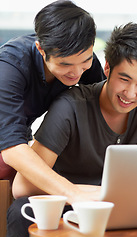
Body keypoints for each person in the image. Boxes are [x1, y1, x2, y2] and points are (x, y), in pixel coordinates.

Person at [7, 22, 137, 237]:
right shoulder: (70, 106)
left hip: (116, 208)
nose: (130, 94)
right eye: (124, 79)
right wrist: (82, 192)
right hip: (66, 204)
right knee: (22, 212)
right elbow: (22, 187)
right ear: (107, 68)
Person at [0, 0, 105, 184]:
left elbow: (105, 105)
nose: (77, 72)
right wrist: (73, 192)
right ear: (40, 48)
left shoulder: (81, 57)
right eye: (65, 64)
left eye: (85, 62)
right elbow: (12, 148)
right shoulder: (10, 66)